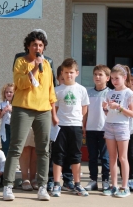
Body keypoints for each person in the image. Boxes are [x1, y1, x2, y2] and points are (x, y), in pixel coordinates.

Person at [3, 30, 57, 201]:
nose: (38, 48)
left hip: (43, 110)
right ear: (28, 46)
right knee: (16, 147)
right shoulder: (20, 61)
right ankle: (8, 186)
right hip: (23, 108)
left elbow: (50, 89)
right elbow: (20, 83)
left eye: (41, 45)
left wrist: (53, 111)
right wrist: (34, 67)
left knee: (44, 149)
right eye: (34, 45)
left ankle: (42, 186)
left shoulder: (47, 64)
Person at [51, 58, 90, 197]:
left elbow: (84, 109)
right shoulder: (57, 90)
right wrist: (55, 120)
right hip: (61, 126)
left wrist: (82, 124)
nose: (69, 75)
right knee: (58, 155)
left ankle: (77, 184)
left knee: (75, 155)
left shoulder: (81, 89)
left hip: (76, 126)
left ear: (77, 73)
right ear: (62, 73)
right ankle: (56, 184)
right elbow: (53, 108)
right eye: (66, 72)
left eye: (71, 72)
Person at [102, 64, 133, 198]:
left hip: (122, 126)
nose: (114, 81)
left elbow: (132, 113)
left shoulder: (129, 93)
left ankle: (125, 186)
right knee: (112, 157)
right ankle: (113, 185)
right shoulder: (110, 92)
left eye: (117, 78)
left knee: (123, 157)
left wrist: (119, 107)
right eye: (113, 79)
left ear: (124, 77)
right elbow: (108, 113)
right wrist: (105, 108)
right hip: (109, 125)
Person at [83, 65, 110, 191]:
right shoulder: (88, 93)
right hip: (91, 129)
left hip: (105, 129)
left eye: (100, 75)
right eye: (95, 74)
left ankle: (106, 180)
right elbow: (85, 112)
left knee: (105, 157)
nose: (97, 77)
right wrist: (83, 125)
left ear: (107, 78)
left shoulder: (110, 93)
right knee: (92, 156)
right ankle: (93, 180)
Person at [47, 66, 74, 192]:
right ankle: (52, 179)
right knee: (56, 153)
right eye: (62, 79)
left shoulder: (73, 90)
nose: (65, 81)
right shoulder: (55, 91)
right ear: (58, 78)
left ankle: (68, 179)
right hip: (56, 126)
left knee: (69, 153)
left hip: (70, 125)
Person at [0, 83, 15, 157]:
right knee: (5, 145)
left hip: (14, 127)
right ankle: (5, 162)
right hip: (5, 127)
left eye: (10, 92)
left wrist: (11, 110)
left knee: (14, 146)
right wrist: (3, 111)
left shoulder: (17, 104)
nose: (8, 93)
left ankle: (14, 163)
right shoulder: (2, 104)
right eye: (6, 92)